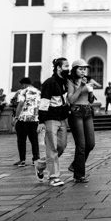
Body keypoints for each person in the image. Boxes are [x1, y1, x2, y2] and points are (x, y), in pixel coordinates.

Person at [37, 58, 71, 187]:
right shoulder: (49, 83)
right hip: (50, 118)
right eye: (66, 66)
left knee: (61, 146)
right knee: (52, 148)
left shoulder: (65, 82)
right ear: (59, 68)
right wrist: (41, 121)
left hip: (62, 118)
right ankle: (54, 177)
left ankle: (40, 165)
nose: (68, 68)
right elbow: (44, 103)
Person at [66, 59, 99, 183]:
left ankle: (75, 165)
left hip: (87, 111)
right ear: (75, 69)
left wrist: (90, 92)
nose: (83, 71)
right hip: (76, 112)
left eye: (84, 69)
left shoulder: (87, 80)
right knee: (81, 145)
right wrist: (81, 87)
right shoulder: (70, 81)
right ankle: (79, 175)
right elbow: (71, 100)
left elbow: (91, 100)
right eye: (80, 69)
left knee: (90, 144)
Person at [11, 77, 41, 167]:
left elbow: (20, 104)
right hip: (34, 119)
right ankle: (35, 159)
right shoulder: (38, 92)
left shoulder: (23, 91)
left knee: (21, 140)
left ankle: (22, 160)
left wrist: (16, 118)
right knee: (34, 140)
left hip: (23, 119)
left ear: (23, 84)